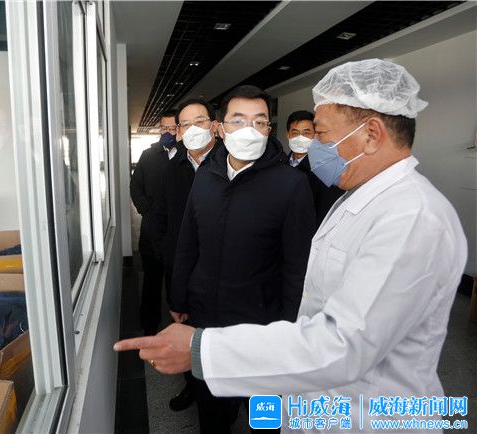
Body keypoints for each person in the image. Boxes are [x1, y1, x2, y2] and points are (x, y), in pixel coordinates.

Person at [115, 59, 468, 434]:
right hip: (324, 401)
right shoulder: (359, 198)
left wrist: (201, 349)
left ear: (371, 134)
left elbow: (343, 345)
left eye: (323, 135)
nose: (316, 148)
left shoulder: (411, 218)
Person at [167, 85, 315, 432]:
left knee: (265, 416)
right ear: (220, 128)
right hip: (208, 319)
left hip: (261, 325)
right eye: (238, 120)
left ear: (268, 129)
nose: (249, 130)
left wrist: (290, 328)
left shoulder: (290, 184)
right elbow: (188, 241)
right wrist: (178, 298)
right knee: (212, 412)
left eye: (259, 122)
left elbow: (298, 266)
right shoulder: (207, 175)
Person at [153, 98, 220, 412]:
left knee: (222, 333)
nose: (194, 129)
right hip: (182, 268)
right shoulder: (172, 169)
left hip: (221, 270)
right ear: (178, 131)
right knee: (187, 333)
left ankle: (231, 397)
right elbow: (162, 218)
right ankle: (193, 387)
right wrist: (170, 260)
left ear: (214, 126)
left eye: (200, 121)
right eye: (186, 124)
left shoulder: (230, 163)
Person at [130, 110, 179, 336]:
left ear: (180, 129)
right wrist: (147, 211)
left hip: (178, 234)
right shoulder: (148, 156)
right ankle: (149, 326)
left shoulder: (188, 156)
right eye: (164, 128)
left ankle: (181, 327)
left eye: (172, 128)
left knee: (177, 282)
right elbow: (135, 187)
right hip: (152, 232)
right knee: (151, 280)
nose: (167, 133)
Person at [286, 110, 344, 225]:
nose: (300, 138)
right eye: (295, 133)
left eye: (306, 133)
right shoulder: (280, 166)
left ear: (315, 135)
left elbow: (327, 213)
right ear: (288, 135)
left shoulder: (326, 170)